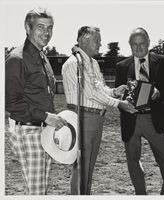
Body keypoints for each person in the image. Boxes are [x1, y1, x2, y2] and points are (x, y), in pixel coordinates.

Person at [62, 26, 136, 195]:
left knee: (88, 168)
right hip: (82, 118)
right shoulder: (74, 63)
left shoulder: (92, 62)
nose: (100, 44)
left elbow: (99, 87)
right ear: (83, 40)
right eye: (97, 40)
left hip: (95, 119)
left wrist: (113, 91)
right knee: (81, 168)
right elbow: (90, 93)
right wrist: (118, 103)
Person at [5, 7, 68, 195]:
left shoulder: (43, 58)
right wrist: (46, 116)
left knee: (40, 190)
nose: (46, 32)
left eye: (50, 28)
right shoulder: (17, 58)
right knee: (36, 192)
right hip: (28, 130)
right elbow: (10, 102)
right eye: (40, 27)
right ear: (27, 27)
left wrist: (49, 120)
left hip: (43, 129)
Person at [115, 27, 164, 195]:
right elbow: (118, 93)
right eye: (134, 45)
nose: (138, 48)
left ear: (149, 42)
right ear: (129, 45)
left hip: (154, 118)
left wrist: (159, 93)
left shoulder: (161, 61)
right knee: (133, 161)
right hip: (131, 118)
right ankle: (140, 193)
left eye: (142, 44)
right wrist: (121, 96)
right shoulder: (122, 66)